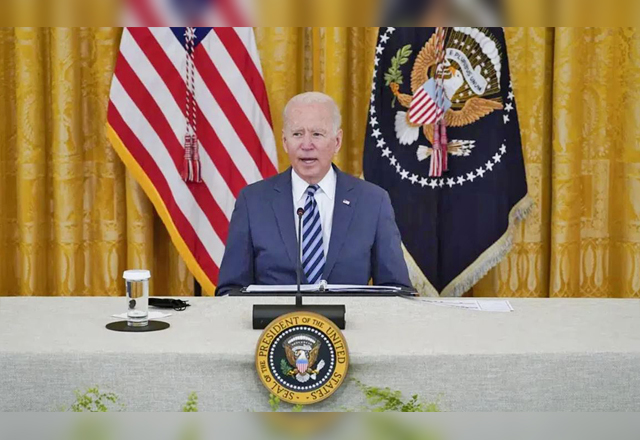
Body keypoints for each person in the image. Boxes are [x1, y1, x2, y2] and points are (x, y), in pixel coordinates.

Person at [215, 92, 412, 295]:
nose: (306, 145)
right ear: (284, 141)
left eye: (317, 134)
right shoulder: (252, 202)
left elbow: (396, 290)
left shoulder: (373, 202)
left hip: (350, 317)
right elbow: (231, 290)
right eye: (297, 134)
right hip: (276, 317)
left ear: (337, 141)